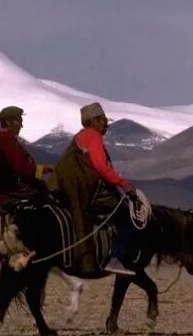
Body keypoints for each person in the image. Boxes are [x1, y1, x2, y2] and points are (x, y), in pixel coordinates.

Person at [46, 102, 138, 276]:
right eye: (102, 119)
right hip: (87, 190)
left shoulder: (79, 137)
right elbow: (101, 167)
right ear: (93, 120)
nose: (106, 123)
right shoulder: (93, 136)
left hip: (69, 190)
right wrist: (123, 184)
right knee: (126, 215)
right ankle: (115, 259)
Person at [0, 106, 52, 206]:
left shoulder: (1, 136)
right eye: (19, 121)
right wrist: (45, 170)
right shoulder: (5, 137)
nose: (21, 126)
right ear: (8, 122)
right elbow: (22, 167)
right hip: (7, 186)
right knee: (44, 198)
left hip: (2, 184)